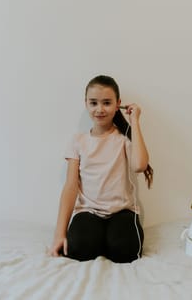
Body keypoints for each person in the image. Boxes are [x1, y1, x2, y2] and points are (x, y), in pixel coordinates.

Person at [49, 75, 153, 263]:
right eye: (94, 103)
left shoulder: (124, 138)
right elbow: (71, 186)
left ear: (117, 104)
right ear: (86, 104)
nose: (100, 109)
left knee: (126, 251)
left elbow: (139, 165)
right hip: (89, 211)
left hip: (121, 212)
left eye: (106, 103)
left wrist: (135, 121)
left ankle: (110, 238)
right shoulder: (78, 141)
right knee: (79, 248)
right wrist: (59, 233)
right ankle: (99, 237)